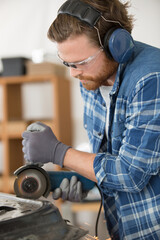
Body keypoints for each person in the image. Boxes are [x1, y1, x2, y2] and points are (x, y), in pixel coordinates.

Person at [22, 0, 160, 239]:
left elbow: (131, 174)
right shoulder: (91, 80)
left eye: (81, 63)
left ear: (117, 46)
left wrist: (59, 153)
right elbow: (111, 160)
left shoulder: (151, 79)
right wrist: (84, 181)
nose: (74, 73)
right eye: (67, 63)